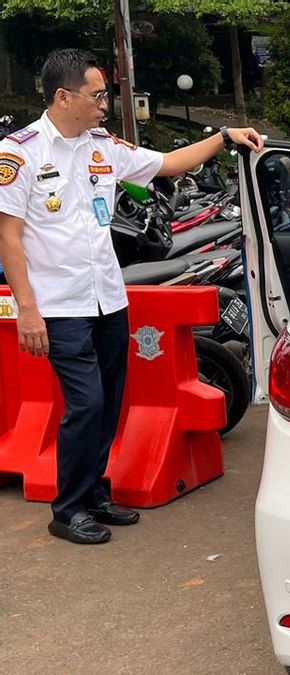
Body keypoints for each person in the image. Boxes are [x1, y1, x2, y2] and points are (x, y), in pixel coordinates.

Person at [0, 49, 264, 545]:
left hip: (107, 299)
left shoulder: (102, 146)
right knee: (86, 403)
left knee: (110, 402)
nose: (104, 105)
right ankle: (68, 507)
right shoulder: (20, 153)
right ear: (63, 97)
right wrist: (27, 309)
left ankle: (96, 493)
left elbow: (167, 163)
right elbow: (8, 237)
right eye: (97, 95)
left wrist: (223, 137)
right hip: (59, 307)